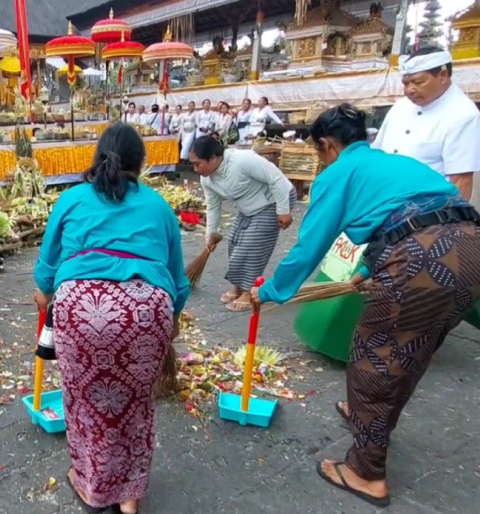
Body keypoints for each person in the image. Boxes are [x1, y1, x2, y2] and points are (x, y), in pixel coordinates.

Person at [250, 105, 480, 508]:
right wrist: (365, 269)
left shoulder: (338, 173)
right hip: (475, 253)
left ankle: (366, 472)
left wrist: (273, 290)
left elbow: (311, 245)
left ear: (327, 145)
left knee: (373, 359)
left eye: (319, 152)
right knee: (413, 348)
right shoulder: (395, 162)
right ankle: (370, 417)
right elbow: (408, 217)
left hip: (422, 260)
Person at [34, 123, 189, 514]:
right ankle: (129, 498)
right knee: (136, 404)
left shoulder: (71, 199)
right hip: (146, 309)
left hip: (80, 307)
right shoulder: (158, 205)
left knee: (83, 402)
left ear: (97, 157)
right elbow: (178, 281)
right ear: (141, 163)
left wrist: (45, 294)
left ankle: (93, 488)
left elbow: (46, 270)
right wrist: (170, 319)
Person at [190, 136, 296, 312]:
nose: (195, 169)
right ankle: (237, 287)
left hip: (275, 201)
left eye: (198, 164)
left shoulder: (242, 160)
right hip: (248, 207)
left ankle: (248, 293)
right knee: (234, 243)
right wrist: (210, 234)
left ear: (213, 158)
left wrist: (283, 210)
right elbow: (213, 206)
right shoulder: (207, 179)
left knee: (251, 247)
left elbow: (277, 180)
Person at [373, 47, 480, 200]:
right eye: (405, 84)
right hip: (383, 200)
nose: (410, 90)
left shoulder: (464, 116)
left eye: (418, 82)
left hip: (426, 207)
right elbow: (378, 153)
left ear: (443, 76)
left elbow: (461, 182)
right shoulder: (400, 106)